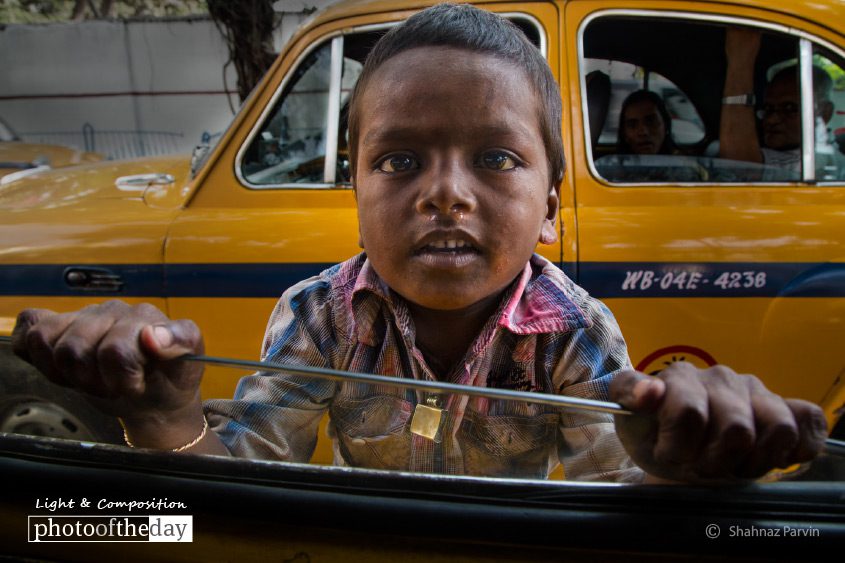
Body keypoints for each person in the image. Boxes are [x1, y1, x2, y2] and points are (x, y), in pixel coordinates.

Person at [11, 4, 827, 484]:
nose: (443, 192)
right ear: (356, 195)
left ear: (548, 208)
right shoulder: (317, 314)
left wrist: (673, 473)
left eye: (494, 159)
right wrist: (167, 417)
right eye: (399, 160)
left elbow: (607, 507)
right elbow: (231, 492)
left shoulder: (573, 327)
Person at [720, 27, 840, 175]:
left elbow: (739, 166)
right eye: (768, 108)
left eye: (789, 108)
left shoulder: (818, 160)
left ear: (824, 113)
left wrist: (740, 60)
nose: (771, 119)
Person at [617, 89, 677, 155]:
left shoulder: (682, 163)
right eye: (632, 125)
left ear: (666, 125)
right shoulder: (612, 164)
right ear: (624, 134)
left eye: (651, 122)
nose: (643, 132)